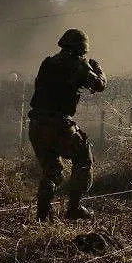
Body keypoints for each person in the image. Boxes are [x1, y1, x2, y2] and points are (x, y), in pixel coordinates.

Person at [28, 29, 107, 221]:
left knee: (53, 172)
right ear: (81, 48)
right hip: (59, 124)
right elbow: (99, 85)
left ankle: (42, 215)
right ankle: (74, 208)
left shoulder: (48, 63)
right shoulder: (78, 65)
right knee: (84, 158)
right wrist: (98, 69)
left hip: (36, 124)